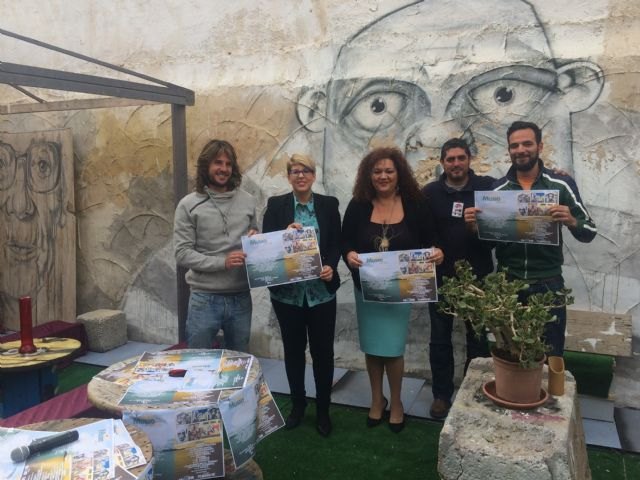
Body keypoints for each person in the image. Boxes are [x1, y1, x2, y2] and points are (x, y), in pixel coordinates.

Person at [465, 121, 597, 357]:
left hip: (548, 283)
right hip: (508, 283)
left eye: (527, 143)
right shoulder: (497, 191)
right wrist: (476, 228)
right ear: (509, 150)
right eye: (514, 145)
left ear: (540, 146)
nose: (521, 150)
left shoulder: (560, 184)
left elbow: (589, 231)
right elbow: (489, 244)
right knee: (510, 354)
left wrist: (571, 220)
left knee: (551, 354)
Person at [342, 146, 443, 433]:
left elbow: (432, 240)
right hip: (368, 290)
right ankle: (378, 400)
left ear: (399, 174)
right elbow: (345, 240)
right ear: (368, 175)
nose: (383, 176)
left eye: (389, 171)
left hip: (401, 291)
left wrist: (437, 252)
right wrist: (349, 254)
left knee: (393, 349)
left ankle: (396, 401)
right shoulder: (358, 204)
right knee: (373, 348)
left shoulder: (416, 204)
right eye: (377, 171)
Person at [262, 153, 341, 437]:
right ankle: (298, 405)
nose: (301, 175)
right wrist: (284, 235)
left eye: (306, 170)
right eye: (295, 171)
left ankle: (323, 410)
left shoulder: (329, 204)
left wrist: (331, 266)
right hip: (288, 296)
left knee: (323, 354)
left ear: (313, 175)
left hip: (321, 294)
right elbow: (266, 246)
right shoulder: (276, 205)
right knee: (293, 352)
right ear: (289, 176)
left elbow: (336, 242)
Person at [421, 138, 494, 419]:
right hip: (441, 278)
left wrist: (554, 173)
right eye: (450, 159)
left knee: (478, 340)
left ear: (469, 160)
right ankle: (441, 395)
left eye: (460, 158)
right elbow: (422, 231)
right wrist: (432, 247)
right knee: (440, 339)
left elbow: (518, 188)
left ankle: (472, 392)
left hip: (479, 277)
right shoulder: (429, 193)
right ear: (442, 162)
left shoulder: (487, 188)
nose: (455, 163)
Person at [174, 139, 257, 352]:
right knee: (198, 362)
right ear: (206, 165)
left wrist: (256, 240)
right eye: (218, 162)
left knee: (238, 363)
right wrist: (223, 263)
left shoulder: (248, 201)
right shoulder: (188, 205)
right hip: (204, 298)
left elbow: (255, 236)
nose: (224, 169)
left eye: (228, 164)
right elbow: (182, 254)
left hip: (241, 297)